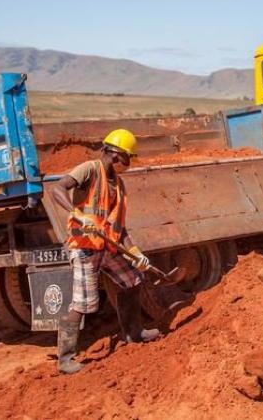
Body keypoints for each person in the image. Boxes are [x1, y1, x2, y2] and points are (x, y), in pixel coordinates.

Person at [50, 129, 160, 374]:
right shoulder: (89, 169)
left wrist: (135, 252)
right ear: (116, 154)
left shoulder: (119, 186)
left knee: (133, 280)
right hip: (85, 248)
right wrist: (77, 214)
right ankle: (65, 358)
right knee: (82, 303)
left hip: (107, 247)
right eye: (128, 159)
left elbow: (119, 228)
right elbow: (57, 190)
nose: (129, 165)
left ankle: (134, 332)